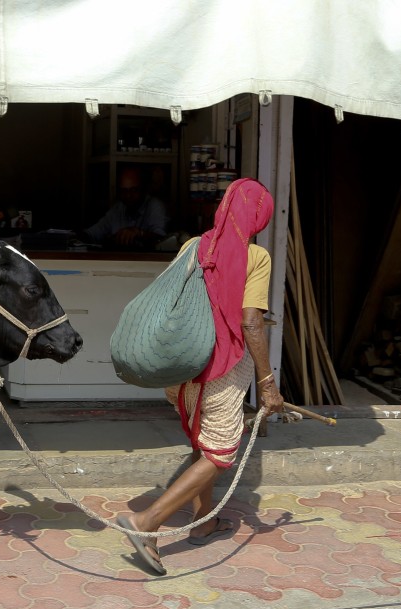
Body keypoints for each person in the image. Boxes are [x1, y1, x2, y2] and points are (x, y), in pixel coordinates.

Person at [116, 177, 284, 576]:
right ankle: (146, 522)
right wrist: (267, 382)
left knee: (201, 439)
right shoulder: (255, 256)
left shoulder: (193, 245)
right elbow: (250, 321)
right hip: (223, 368)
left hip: (185, 364)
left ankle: (204, 520)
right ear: (259, 215)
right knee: (221, 452)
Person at [82, 167, 168, 247]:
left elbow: (162, 240)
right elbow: (92, 234)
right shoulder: (118, 208)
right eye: (124, 191)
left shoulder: (155, 206)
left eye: (133, 190)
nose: (128, 195)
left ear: (143, 189)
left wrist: (140, 234)